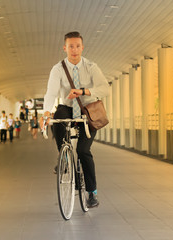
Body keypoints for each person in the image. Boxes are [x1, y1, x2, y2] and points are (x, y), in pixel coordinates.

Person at [40, 31, 109, 208]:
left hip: (88, 111)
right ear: (65, 48)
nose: (74, 49)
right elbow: (51, 92)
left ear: (82, 47)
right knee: (58, 117)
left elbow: (105, 88)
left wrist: (83, 91)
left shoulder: (91, 66)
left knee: (84, 151)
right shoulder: (58, 69)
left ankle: (92, 193)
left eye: (78, 46)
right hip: (68, 108)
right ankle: (64, 158)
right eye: (71, 46)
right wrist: (46, 113)